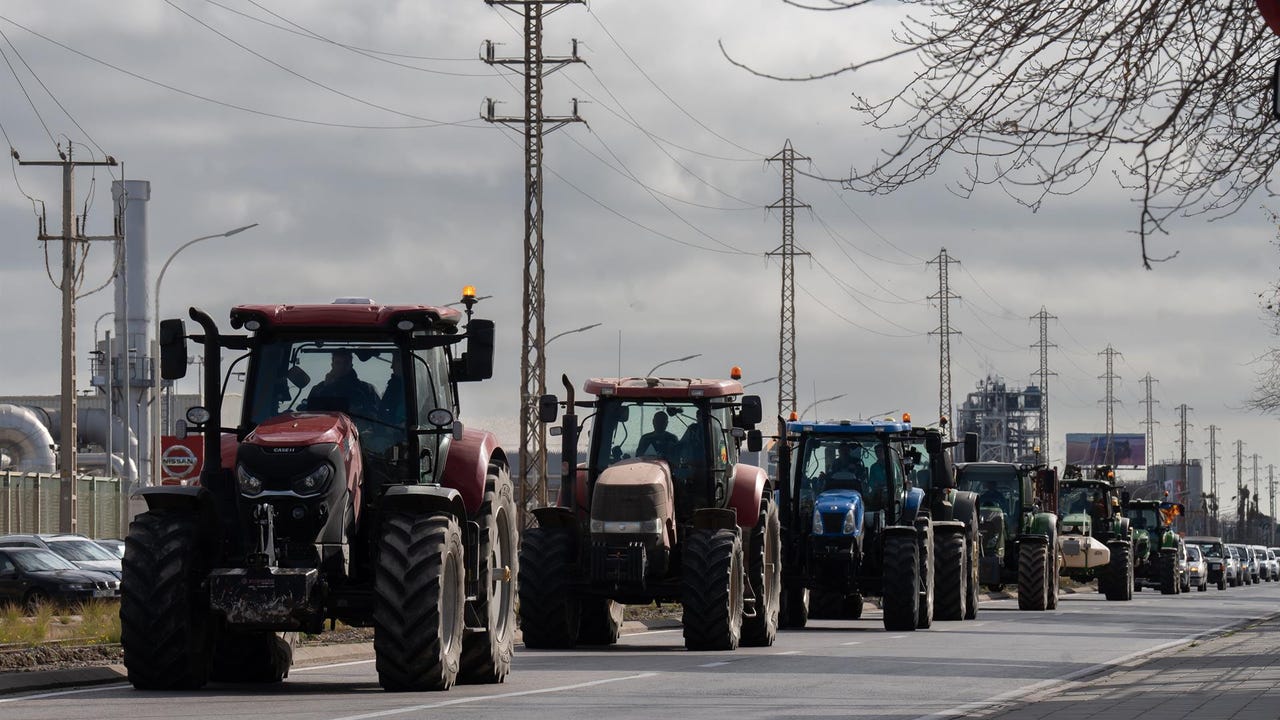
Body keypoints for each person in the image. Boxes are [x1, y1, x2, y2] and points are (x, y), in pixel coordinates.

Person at [304, 349, 380, 415]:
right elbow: (309, 416)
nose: (342, 366)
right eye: (338, 363)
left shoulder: (367, 389)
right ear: (332, 365)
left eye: (346, 363)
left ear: (351, 365)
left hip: (358, 430)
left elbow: (375, 418)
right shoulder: (318, 390)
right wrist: (326, 388)